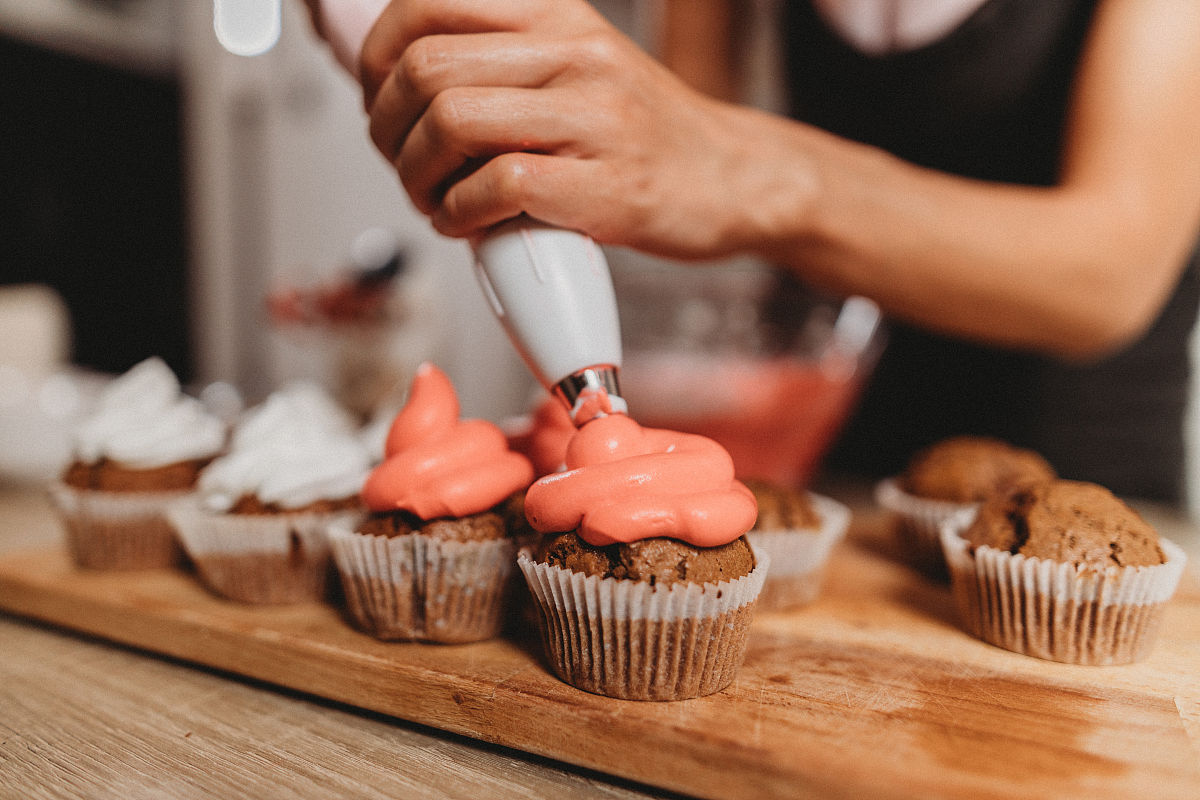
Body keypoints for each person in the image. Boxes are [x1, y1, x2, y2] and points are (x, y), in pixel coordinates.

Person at [304, 0, 1200, 504]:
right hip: (836, 446)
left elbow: (1110, 276)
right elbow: (678, 117)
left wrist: (764, 179)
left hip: (1083, 473)